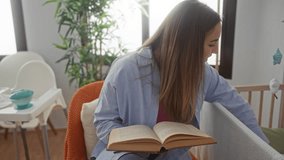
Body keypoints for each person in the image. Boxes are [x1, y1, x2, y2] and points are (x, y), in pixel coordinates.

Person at [91, 0, 269, 160]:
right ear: (188, 43)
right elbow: (103, 120)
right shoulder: (127, 69)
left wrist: (267, 151)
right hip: (123, 154)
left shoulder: (203, 74)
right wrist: (131, 143)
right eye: (211, 44)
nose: (215, 51)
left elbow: (239, 108)